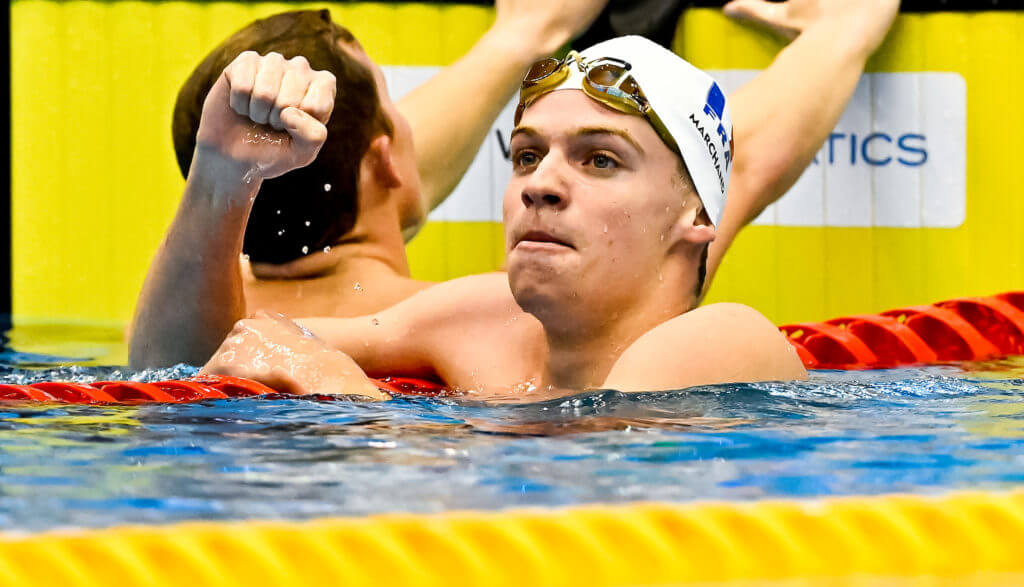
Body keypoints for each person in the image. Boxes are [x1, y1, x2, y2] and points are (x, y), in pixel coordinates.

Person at [132, 0, 900, 373]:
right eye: (526, 156)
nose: (543, 185)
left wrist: (363, 414)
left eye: (600, 159)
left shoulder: (720, 340)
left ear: (695, 212)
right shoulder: (475, 318)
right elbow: (183, 374)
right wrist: (220, 175)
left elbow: (595, 508)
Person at [129, 1, 610, 368]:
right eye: (394, 104)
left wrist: (517, 39)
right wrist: (527, 32)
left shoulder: (161, 330)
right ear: (386, 162)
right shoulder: (486, 325)